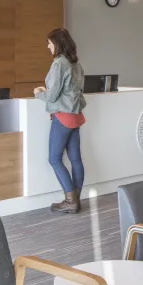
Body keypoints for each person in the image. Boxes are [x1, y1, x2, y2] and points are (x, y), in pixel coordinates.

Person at [34, 28, 87, 214]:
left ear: (57, 43)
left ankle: (70, 201)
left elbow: (54, 95)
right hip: (75, 115)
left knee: (54, 159)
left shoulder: (59, 64)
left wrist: (39, 94)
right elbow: (74, 90)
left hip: (63, 117)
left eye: (49, 43)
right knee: (75, 159)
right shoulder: (76, 63)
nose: (48, 46)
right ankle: (76, 199)